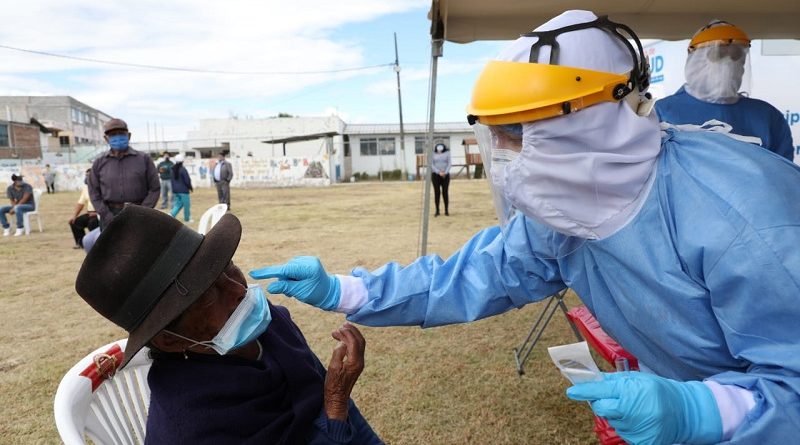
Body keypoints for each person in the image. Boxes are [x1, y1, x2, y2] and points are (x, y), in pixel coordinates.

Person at [253, 11, 800, 445]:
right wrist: (345, 289)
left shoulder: (743, 219)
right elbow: (471, 275)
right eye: (500, 137)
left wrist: (701, 410)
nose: (508, 157)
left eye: (519, 133)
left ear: (590, 120)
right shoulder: (569, 210)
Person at [74, 206, 383, 444]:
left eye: (227, 268)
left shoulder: (270, 325)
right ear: (170, 340)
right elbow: (333, 404)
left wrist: (338, 408)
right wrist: (336, 403)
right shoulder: (192, 427)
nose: (238, 291)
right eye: (208, 296)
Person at [656, 21, 794, 161]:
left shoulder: (767, 116)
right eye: (718, 54)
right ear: (696, 59)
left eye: (736, 55)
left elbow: (783, 174)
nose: (728, 63)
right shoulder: (662, 112)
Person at [88, 118, 160, 229]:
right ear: (106, 139)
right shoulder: (99, 163)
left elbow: (154, 188)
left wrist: (143, 212)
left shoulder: (144, 159)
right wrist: (107, 215)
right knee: (111, 246)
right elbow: (93, 192)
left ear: (129, 136)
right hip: (109, 214)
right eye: (113, 135)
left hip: (140, 213)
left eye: (121, 133)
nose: (117, 137)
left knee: (140, 246)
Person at [68, 169, 99, 249]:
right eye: (86, 175)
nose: (87, 177)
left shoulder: (102, 187)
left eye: (89, 175)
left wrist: (97, 213)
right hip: (90, 213)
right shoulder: (86, 188)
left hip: (100, 214)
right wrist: (74, 216)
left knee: (92, 223)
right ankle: (81, 243)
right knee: (75, 222)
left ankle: (95, 244)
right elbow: (80, 203)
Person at [169, 154, 193, 223]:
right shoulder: (183, 169)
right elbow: (187, 180)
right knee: (186, 205)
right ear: (182, 161)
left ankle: (171, 215)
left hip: (175, 191)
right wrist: (190, 187)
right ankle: (187, 219)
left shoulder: (172, 169)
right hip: (183, 190)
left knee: (178, 204)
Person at [430, 142, 451, 217]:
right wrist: (439, 172)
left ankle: (446, 210)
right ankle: (437, 210)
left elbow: (449, 164)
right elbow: (431, 164)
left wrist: (445, 172)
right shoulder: (432, 153)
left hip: (445, 175)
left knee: (445, 192)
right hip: (436, 175)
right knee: (437, 192)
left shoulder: (447, 153)